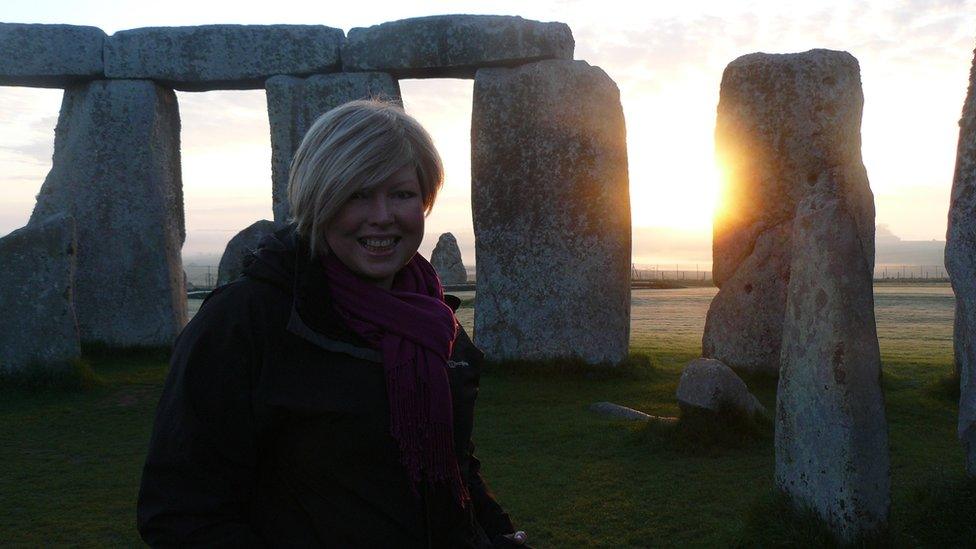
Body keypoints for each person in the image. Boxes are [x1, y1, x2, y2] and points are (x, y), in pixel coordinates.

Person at [137, 99, 527, 548]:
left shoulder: (431, 318)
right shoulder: (246, 322)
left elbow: (453, 465)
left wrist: (500, 534)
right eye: (356, 193)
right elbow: (181, 510)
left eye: (401, 193)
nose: (382, 215)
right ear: (317, 199)